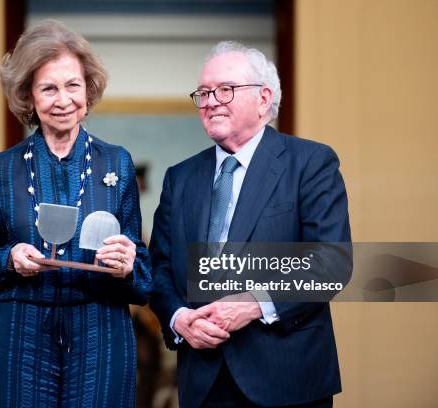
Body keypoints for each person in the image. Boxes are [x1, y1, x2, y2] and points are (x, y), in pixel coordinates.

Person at [0, 20, 152, 407]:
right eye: (49, 88)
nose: (63, 99)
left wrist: (130, 263)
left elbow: (144, 279)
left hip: (101, 332)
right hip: (19, 335)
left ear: (88, 88)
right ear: (28, 96)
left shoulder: (117, 162)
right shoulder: (0, 170)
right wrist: (9, 259)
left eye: (73, 85)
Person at [149, 41, 351, 408]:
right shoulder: (179, 178)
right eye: (204, 92)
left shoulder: (310, 163)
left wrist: (254, 303)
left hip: (287, 377)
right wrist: (179, 318)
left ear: (264, 99)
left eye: (225, 89)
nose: (210, 101)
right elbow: (159, 268)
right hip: (203, 381)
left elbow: (330, 262)